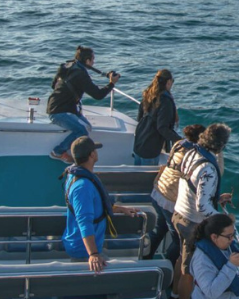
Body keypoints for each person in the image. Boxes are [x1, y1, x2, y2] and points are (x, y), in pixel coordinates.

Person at [173, 123, 234, 299]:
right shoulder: (209, 168)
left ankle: (174, 292)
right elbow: (202, 206)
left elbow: (193, 185)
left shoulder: (191, 152)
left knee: (182, 258)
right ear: (221, 145)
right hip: (192, 223)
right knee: (189, 272)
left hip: (179, 214)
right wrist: (225, 219)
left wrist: (215, 198)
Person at [61, 136, 139, 273]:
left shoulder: (77, 175)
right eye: (95, 150)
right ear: (92, 155)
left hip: (87, 245)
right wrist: (93, 254)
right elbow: (84, 222)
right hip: (83, 250)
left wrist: (117, 208)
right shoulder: (83, 186)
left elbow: (93, 203)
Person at [146, 124, 206, 294]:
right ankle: (169, 269)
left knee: (159, 228)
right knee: (177, 238)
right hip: (170, 199)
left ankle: (145, 257)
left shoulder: (179, 144)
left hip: (159, 190)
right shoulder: (193, 154)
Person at [47, 46, 120, 163]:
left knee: (88, 127)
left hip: (59, 106)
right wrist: (112, 83)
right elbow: (98, 95)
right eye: (93, 59)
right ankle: (58, 152)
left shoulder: (67, 66)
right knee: (82, 131)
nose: (94, 62)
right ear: (87, 61)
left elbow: (53, 85)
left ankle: (74, 149)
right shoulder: (81, 75)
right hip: (59, 112)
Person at [189, 214, 239, 299]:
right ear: (214, 237)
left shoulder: (226, 245)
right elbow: (211, 292)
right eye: (229, 236)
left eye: (233, 234)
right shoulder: (201, 261)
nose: (232, 239)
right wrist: (231, 266)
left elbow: (237, 268)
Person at [133, 69, 180, 166]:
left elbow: (139, 117)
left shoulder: (148, 95)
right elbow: (162, 127)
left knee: (138, 174)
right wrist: (180, 140)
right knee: (146, 180)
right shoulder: (165, 102)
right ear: (168, 82)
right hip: (150, 148)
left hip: (139, 142)